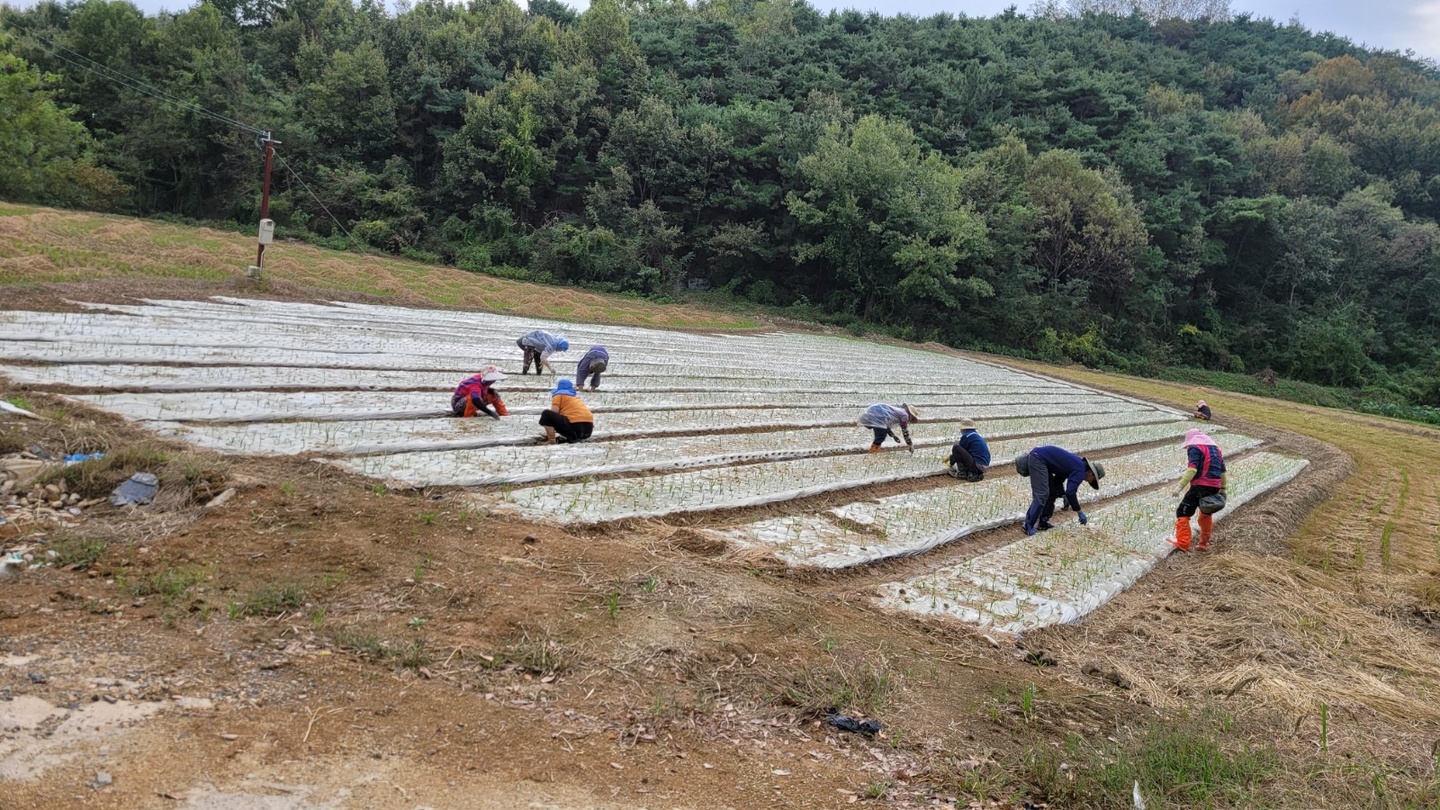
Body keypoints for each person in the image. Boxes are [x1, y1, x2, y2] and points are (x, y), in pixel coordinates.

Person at [1020, 446, 1105, 536]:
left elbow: (1058, 480)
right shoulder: (1080, 470)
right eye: (1093, 479)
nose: (1089, 481)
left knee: (1052, 493)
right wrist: (1079, 511)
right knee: (1042, 494)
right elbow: (1071, 492)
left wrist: (1063, 495)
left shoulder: (1077, 465)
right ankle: (1027, 525)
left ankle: (1042, 522)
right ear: (1091, 473)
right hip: (1038, 458)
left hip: (1043, 460)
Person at [1170, 428, 1227, 552]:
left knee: (1183, 512)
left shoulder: (1195, 448)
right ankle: (1203, 544)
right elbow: (1222, 472)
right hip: (1215, 486)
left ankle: (1183, 543)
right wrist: (1223, 489)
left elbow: (1192, 470)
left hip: (1200, 485)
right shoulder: (1216, 449)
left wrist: (1179, 487)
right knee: (1206, 512)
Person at [539, 378, 594, 444]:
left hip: (574, 429)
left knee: (547, 414)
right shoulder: (574, 398)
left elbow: (554, 412)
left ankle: (552, 440)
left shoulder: (559, 395)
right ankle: (575, 437)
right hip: (588, 430)